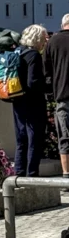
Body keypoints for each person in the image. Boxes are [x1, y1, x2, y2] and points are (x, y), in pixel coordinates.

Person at [11, 25, 49, 177]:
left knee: (21, 139)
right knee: (35, 139)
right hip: (33, 103)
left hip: (17, 100)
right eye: (44, 39)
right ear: (38, 39)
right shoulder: (33, 55)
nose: (45, 42)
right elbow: (33, 82)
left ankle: (19, 173)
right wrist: (48, 85)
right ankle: (32, 175)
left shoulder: (17, 52)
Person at [44, 13, 69, 179]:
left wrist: (51, 93)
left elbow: (46, 72)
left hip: (62, 96)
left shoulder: (52, 41)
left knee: (65, 137)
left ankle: (66, 175)